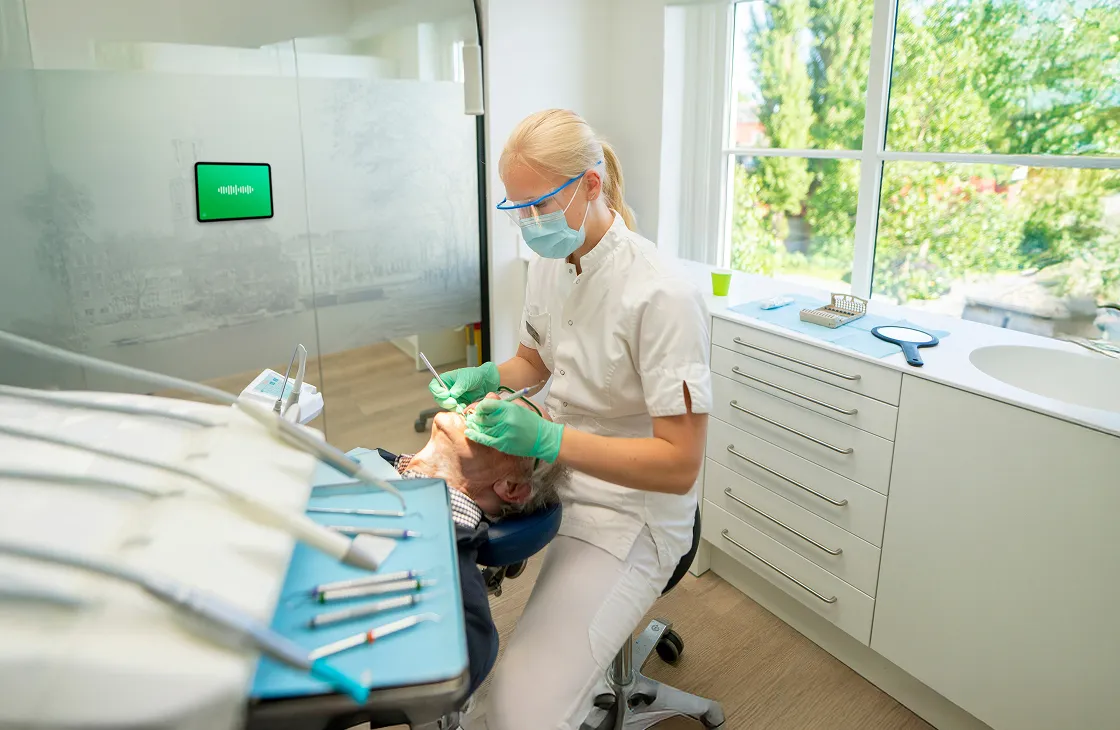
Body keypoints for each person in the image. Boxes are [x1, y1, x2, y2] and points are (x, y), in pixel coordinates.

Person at [428, 109, 712, 730]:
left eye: (539, 206)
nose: (530, 223)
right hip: (557, 475)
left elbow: (679, 464)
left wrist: (551, 438)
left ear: (590, 184)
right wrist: (487, 377)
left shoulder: (664, 295)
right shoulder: (548, 266)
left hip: (631, 509)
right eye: (517, 209)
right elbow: (535, 358)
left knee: (517, 711)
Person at [379, 395, 567, 696]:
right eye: (500, 393)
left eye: (507, 417)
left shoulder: (446, 559)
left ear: (512, 487)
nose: (489, 397)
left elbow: (463, 660)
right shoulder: (371, 464)